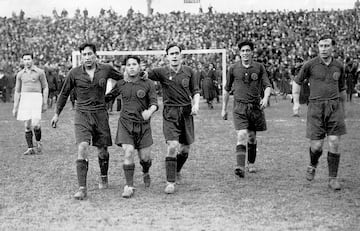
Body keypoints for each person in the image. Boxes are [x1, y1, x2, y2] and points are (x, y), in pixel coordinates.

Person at [51, 43, 123, 200]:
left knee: (102, 150)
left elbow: (123, 80)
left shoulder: (106, 69)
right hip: (82, 114)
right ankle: (82, 188)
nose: (87, 57)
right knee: (82, 147)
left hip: (100, 114)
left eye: (90, 54)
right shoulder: (74, 73)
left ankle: (104, 176)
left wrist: (110, 96)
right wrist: (57, 114)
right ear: (81, 56)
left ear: (95, 55)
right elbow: (64, 94)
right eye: (84, 54)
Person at [292, 35, 346, 190]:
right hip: (315, 108)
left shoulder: (339, 66)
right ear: (318, 47)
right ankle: (312, 164)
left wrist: (343, 110)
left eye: (326, 45)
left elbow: (342, 89)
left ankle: (333, 178)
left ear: (332, 48)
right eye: (321, 46)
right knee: (316, 146)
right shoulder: (310, 65)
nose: (323, 49)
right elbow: (297, 82)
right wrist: (296, 102)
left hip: (334, 107)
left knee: (334, 142)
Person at [147, 43, 200, 194]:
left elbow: (195, 91)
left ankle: (176, 170)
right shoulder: (161, 72)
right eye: (172, 53)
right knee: (172, 146)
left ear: (181, 55)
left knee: (184, 149)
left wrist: (196, 105)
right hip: (170, 113)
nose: (175, 56)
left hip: (186, 113)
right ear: (167, 56)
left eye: (177, 53)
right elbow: (144, 75)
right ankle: (170, 182)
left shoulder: (189, 71)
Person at [105, 55, 158, 198]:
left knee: (145, 158)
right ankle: (129, 186)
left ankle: (146, 171)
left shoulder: (148, 83)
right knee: (128, 152)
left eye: (134, 64)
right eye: (129, 65)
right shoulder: (121, 84)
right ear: (125, 68)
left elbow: (154, 103)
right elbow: (108, 97)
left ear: (139, 66)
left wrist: (149, 111)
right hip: (126, 124)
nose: (132, 67)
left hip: (143, 126)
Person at [221, 40, 271, 177]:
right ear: (239, 53)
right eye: (242, 51)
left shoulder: (259, 68)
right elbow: (226, 90)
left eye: (247, 50)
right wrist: (224, 108)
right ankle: (240, 167)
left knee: (252, 137)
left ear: (252, 52)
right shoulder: (233, 68)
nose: (245, 53)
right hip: (239, 107)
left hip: (254, 107)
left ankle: (251, 162)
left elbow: (267, 85)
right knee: (242, 134)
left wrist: (265, 98)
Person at [12, 53, 49, 155]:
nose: (27, 61)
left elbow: (45, 87)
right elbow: (17, 91)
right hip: (25, 99)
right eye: (25, 59)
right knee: (27, 125)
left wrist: (45, 102)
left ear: (32, 60)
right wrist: (15, 107)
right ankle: (30, 148)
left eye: (29, 59)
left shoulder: (39, 72)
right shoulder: (20, 74)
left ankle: (38, 142)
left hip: (36, 98)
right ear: (22, 61)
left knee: (36, 124)